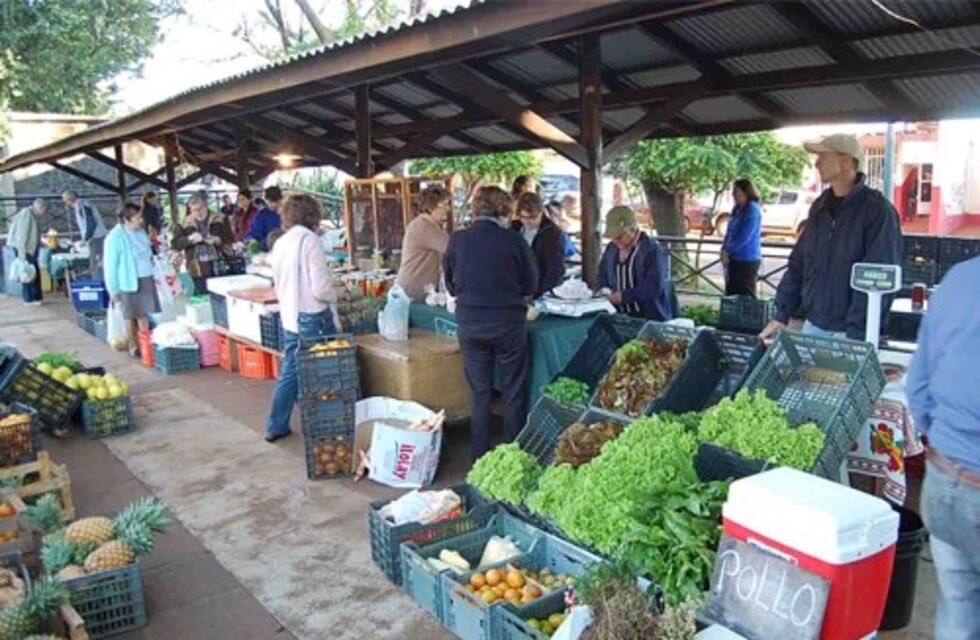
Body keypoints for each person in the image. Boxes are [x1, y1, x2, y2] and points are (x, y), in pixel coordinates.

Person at [760, 134, 902, 342]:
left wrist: (857, 334)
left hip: (851, 334)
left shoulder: (878, 211)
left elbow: (878, 275)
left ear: (845, 161)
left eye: (823, 156)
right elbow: (799, 263)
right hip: (814, 326)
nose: (817, 163)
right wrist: (781, 314)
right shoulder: (819, 207)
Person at [906, 256, 980, 640]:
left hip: (943, 483)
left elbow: (917, 389)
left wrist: (947, 448)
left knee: (957, 616)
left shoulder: (958, 280)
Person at [444, 186, 538, 461]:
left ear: (476, 210)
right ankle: (512, 457)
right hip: (508, 323)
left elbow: (450, 285)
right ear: (504, 210)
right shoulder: (514, 240)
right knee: (513, 390)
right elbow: (531, 283)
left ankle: (479, 456)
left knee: (480, 392)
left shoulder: (458, 240)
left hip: (471, 323)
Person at [264, 194, 341, 443]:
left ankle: (279, 424)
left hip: (290, 316)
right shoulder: (310, 241)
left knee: (293, 369)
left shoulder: (282, 243)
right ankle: (325, 422)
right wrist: (337, 293)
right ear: (313, 215)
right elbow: (320, 288)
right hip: (313, 316)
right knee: (323, 371)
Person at [598, 205, 672, 320]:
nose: (615, 241)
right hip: (618, 316)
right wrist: (604, 288)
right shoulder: (611, 248)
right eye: (612, 237)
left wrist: (624, 296)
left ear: (632, 230)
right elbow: (602, 272)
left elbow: (655, 286)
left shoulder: (652, 250)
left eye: (619, 237)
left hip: (649, 318)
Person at [104, 203, 160, 357]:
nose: (140, 220)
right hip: (128, 280)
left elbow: (147, 251)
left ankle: (146, 345)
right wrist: (113, 290)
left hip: (145, 276)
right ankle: (133, 344)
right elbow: (110, 265)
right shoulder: (115, 237)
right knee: (130, 315)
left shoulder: (140, 232)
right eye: (137, 218)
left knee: (144, 314)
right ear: (126, 219)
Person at [396, 185, 451, 301]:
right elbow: (453, 247)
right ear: (431, 206)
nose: (447, 209)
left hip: (414, 292)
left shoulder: (427, 224)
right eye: (444, 205)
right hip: (410, 293)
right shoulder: (424, 226)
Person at [171, 194, 234, 295]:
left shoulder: (220, 218)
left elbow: (230, 239)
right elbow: (175, 244)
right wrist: (190, 239)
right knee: (202, 296)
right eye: (194, 210)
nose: (198, 213)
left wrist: (219, 240)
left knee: (220, 295)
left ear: (206, 206)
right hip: (196, 267)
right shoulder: (185, 222)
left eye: (200, 209)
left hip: (220, 263)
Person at [512, 192, 565, 297]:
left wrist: (540, 292)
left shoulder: (552, 233)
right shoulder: (514, 228)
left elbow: (555, 269)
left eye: (532, 218)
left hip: (540, 289)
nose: (527, 222)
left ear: (541, 213)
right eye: (523, 217)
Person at [721, 179, 763, 297]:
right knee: (731, 293)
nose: (733, 195)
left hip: (747, 259)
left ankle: (750, 316)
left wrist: (728, 250)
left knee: (745, 295)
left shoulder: (752, 209)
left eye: (736, 191)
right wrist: (723, 248)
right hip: (733, 258)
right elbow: (729, 232)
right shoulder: (737, 209)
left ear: (745, 192)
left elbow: (745, 236)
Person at [8, 199, 45, 306]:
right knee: (27, 272)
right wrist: (22, 250)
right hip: (26, 248)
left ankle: (35, 297)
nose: (43, 212)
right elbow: (22, 233)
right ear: (40, 207)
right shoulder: (27, 214)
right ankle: (29, 298)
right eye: (43, 209)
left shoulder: (30, 214)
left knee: (31, 271)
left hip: (29, 247)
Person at [62, 190, 107, 274]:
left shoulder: (82, 205)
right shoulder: (82, 204)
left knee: (96, 262)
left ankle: (97, 282)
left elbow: (90, 222)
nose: (67, 204)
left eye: (66, 201)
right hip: (95, 236)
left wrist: (85, 238)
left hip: (96, 236)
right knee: (96, 261)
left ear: (70, 199)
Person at [245, 186, 284, 250]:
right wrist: (252, 241)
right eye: (269, 201)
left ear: (280, 200)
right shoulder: (262, 215)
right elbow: (252, 234)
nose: (272, 204)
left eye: (274, 201)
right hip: (265, 252)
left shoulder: (288, 214)